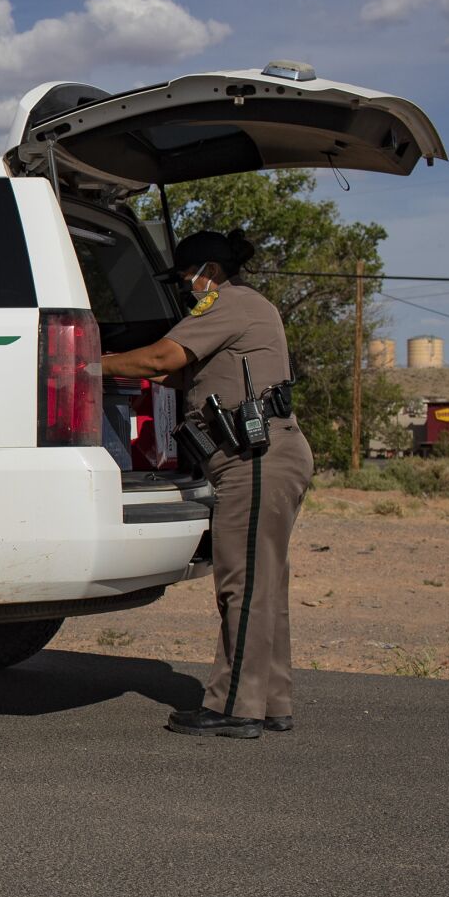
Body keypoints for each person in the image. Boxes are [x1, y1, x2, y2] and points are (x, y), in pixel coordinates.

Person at [100, 229, 313, 739]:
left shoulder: (229, 302)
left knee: (241, 585)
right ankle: (269, 700)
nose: (187, 289)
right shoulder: (245, 308)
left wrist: (86, 364)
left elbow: (160, 360)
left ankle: (234, 708)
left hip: (254, 457)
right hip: (259, 455)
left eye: (186, 278)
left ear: (209, 272)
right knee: (263, 584)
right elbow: (181, 376)